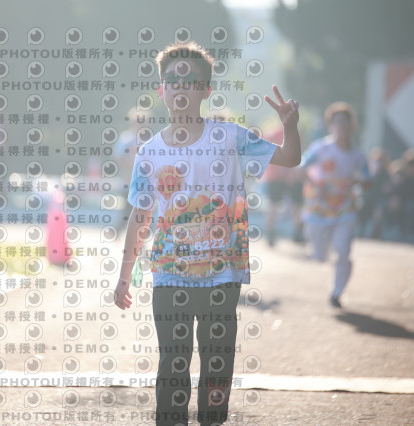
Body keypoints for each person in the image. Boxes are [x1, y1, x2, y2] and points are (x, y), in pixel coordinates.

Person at [113, 41, 301, 426]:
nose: (181, 87)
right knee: (173, 361)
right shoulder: (149, 152)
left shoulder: (230, 137)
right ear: (161, 89)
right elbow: (140, 216)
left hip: (221, 274)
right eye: (172, 80)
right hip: (170, 275)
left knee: (217, 362)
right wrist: (124, 275)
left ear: (205, 90)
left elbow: (290, 158)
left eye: (191, 81)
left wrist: (289, 126)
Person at [300, 102, 371, 308]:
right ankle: (323, 253)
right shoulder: (321, 148)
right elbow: (301, 167)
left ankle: (337, 292)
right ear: (331, 125)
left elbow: (368, 181)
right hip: (319, 208)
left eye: (345, 122)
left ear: (352, 125)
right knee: (319, 255)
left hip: (345, 208)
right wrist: (317, 186)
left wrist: (359, 181)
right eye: (337, 122)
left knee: (342, 250)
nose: (342, 126)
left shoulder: (358, 155)